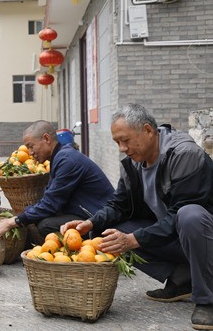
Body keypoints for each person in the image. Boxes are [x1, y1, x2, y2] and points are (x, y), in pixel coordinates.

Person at [61, 104, 213, 330]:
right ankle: (182, 278)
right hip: (179, 237)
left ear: (148, 131)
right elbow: (119, 204)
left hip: (203, 235)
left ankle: (207, 300)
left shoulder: (184, 155)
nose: (122, 148)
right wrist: (91, 222)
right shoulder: (133, 162)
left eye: (126, 140)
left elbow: (181, 213)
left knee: (189, 215)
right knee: (111, 232)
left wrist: (133, 240)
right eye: (117, 142)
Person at [0, 120, 114, 240]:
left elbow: (51, 203)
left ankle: (89, 243)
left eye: (31, 146)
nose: (30, 153)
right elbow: (49, 198)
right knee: (37, 218)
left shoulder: (67, 160)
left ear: (47, 139)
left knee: (46, 225)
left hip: (98, 217)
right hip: (83, 211)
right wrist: (20, 217)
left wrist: (13, 222)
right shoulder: (60, 157)